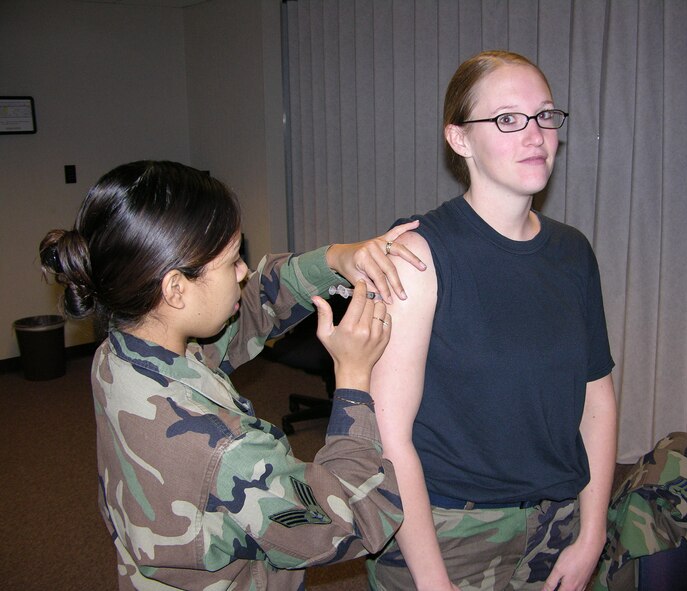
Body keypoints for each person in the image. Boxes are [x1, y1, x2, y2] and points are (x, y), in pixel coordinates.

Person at [38, 160, 427, 590]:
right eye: (231, 262)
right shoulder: (227, 452)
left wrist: (335, 258)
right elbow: (354, 518)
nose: (244, 270)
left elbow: (250, 312)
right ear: (175, 289)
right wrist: (352, 380)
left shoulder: (122, 351)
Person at [367, 50, 618, 591]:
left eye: (546, 116)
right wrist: (434, 583)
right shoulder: (420, 256)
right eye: (508, 119)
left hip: (557, 520)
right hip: (446, 528)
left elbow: (597, 396)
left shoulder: (572, 253)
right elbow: (390, 437)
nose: (536, 135)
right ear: (459, 139)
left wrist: (592, 531)